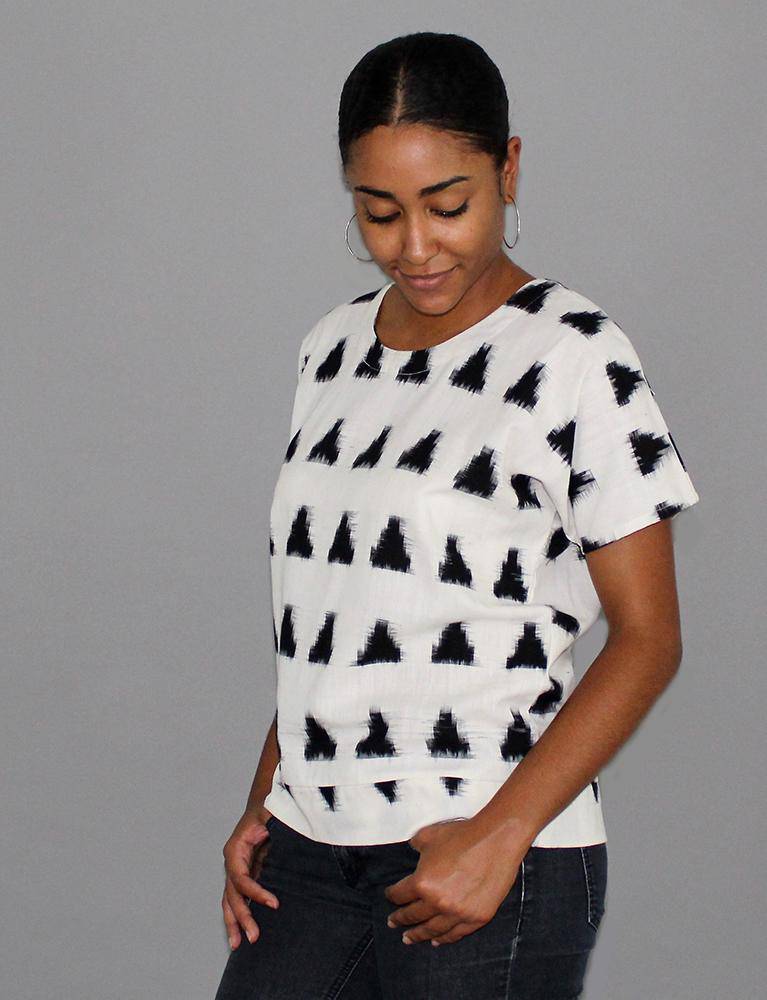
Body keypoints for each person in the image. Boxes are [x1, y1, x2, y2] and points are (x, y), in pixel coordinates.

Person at [213, 31, 700, 1000]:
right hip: (308, 849)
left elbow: (648, 638)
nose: (413, 246)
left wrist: (500, 835)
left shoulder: (574, 355)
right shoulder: (330, 348)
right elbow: (336, 609)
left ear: (507, 169)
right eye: (378, 212)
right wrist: (264, 798)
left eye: (447, 206)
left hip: (485, 845)